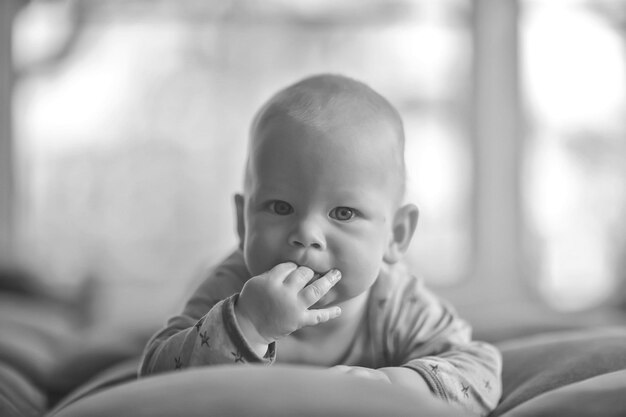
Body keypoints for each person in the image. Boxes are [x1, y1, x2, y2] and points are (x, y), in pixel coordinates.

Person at [139, 74, 502, 415]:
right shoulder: (232, 287)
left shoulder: (397, 303)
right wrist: (248, 323)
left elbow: (479, 369)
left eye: (343, 212)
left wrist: (394, 384)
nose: (306, 233)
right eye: (280, 207)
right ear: (241, 220)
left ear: (396, 234)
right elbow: (155, 379)